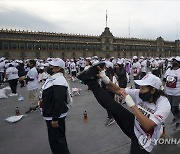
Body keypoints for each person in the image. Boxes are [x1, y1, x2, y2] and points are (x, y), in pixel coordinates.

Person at [77, 63, 171, 154]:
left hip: (145, 138)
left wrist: (131, 104)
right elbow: (118, 90)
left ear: (153, 90)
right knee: (114, 107)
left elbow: (148, 125)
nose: (140, 90)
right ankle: (90, 81)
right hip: (134, 125)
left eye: (143, 88)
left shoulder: (164, 104)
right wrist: (105, 79)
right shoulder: (140, 93)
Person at [42, 58, 71, 154]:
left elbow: (59, 101)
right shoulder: (53, 78)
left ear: (58, 69)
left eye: (52, 67)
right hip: (51, 114)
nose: (49, 68)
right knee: (56, 139)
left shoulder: (59, 80)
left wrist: (55, 118)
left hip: (54, 116)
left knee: (57, 141)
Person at [163, 56, 180, 130]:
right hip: (168, 92)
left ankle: (178, 121)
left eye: (175, 62)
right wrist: (162, 87)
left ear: (178, 63)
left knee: (175, 107)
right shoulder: (168, 70)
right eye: (173, 61)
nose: (173, 63)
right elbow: (164, 79)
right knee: (170, 107)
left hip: (177, 92)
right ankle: (176, 117)